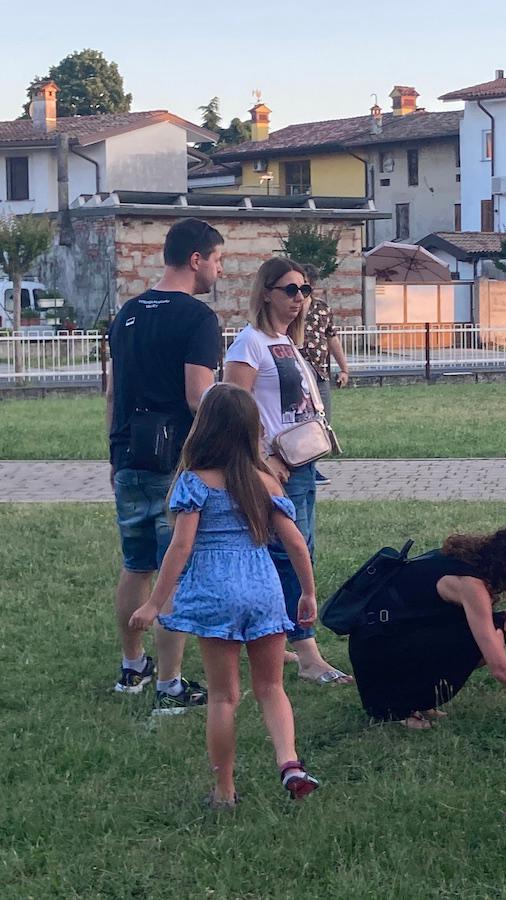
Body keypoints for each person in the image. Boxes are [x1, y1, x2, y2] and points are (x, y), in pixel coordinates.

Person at [128, 384, 321, 808]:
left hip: (216, 591)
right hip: (262, 587)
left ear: (204, 428)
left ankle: (224, 791)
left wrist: (154, 603)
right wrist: (307, 592)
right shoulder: (265, 481)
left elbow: (180, 548)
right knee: (271, 686)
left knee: (223, 696)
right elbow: (295, 542)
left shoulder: (194, 482)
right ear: (252, 431)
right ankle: (289, 762)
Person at [106, 217, 224, 712]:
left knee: (136, 564)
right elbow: (199, 396)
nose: (221, 269)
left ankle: (132, 666)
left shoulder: (127, 313)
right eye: (218, 259)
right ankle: (170, 685)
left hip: (127, 454)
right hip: (174, 460)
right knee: (172, 569)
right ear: (196, 259)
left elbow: (113, 393)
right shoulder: (198, 319)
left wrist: (111, 453)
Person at [224, 258, 349, 685]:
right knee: (291, 555)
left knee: (299, 551)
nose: (300, 298)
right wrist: (261, 462)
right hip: (276, 467)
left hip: (302, 463)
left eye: (305, 290)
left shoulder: (286, 341)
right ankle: (308, 652)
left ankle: (278, 639)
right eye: (290, 290)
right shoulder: (250, 343)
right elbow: (235, 410)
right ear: (265, 293)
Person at [347, 525, 506, 730]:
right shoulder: (470, 584)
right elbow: (499, 666)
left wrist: (504, 615)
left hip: (377, 642)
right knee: (487, 640)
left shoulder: (468, 563)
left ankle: (414, 701)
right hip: (376, 654)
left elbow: (425, 612)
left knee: (495, 626)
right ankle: (395, 709)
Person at [297, 265, 350, 487]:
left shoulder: (322, 309)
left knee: (323, 419)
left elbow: (332, 338)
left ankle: (313, 466)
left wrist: (344, 368)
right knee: (299, 421)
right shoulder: (290, 307)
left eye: (305, 285)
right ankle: (302, 466)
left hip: (320, 372)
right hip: (297, 373)